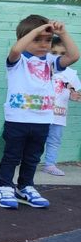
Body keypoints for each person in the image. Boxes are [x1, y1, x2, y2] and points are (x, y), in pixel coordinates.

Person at [0, 15, 79, 209]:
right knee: (12, 156)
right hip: (17, 119)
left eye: (47, 40)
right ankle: (5, 187)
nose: (43, 44)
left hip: (43, 120)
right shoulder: (17, 61)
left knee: (33, 157)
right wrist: (37, 30)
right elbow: (16, 48)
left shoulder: (50, 62)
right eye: (37, 39)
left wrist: (62, 33)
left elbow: (74, 56)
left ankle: (25, 186)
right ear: (25, 38)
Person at [41, 37, 81, 176]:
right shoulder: (43, 68)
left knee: (54, 139)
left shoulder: (71, 73)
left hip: (59, 113)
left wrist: (74, 96)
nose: (58, 56)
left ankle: (50, 164)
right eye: (54, 52)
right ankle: (29, 162)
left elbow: (73, 92)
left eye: (62, 53)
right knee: (36, 138)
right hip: (41, 112)